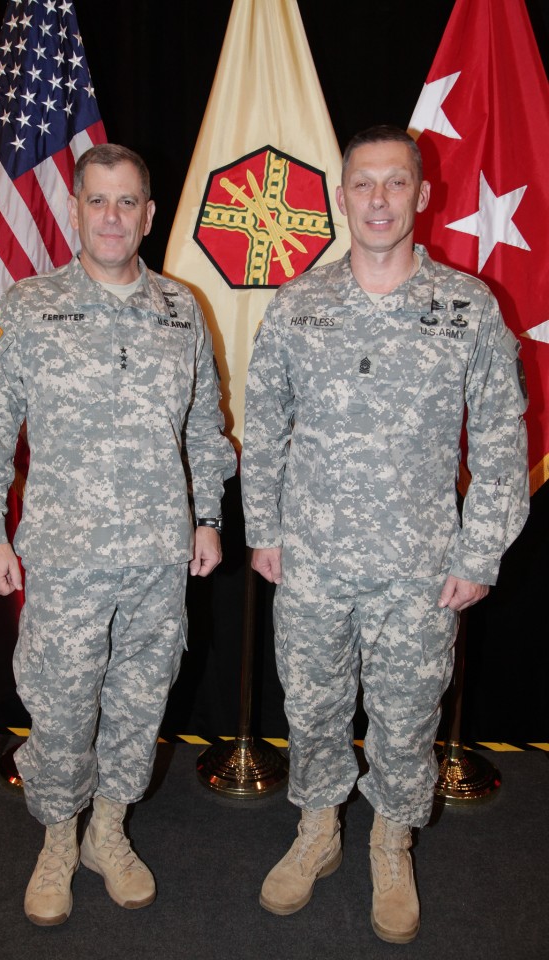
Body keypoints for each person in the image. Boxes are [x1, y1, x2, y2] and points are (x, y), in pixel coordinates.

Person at [240, 125, 529, 943]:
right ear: (342, 196)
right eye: (362, 183)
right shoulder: (299, 305)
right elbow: (263, 426)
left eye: (395, 184)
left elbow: (502, 435)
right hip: (313, 561)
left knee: (406, 715)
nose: (378, 199)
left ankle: (391, 839)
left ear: (421, 195)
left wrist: (481, 551)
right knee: (313, 704)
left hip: (420, 566)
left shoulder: (467, 307)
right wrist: (263, 528)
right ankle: (319, 830)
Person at [0, 143, 235, 926]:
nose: (112, 217)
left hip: (157, 561)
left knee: (140, 705)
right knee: (64, 707)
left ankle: (109, 832)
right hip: (66, 563)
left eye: (127, 202)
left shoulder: (183, 311)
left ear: (148, 214)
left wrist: (208, 516)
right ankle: (58, 838)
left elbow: (207, 430)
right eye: (97, 201)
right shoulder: (28, 307)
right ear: (75, 210)